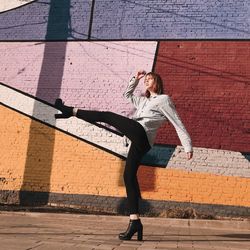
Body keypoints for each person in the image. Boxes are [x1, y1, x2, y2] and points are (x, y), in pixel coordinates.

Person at [54, 70, 193, 241]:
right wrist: (136, 79)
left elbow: (177, 122)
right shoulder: (143, 101)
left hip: (141, 133)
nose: (147, 81)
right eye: (146, 79)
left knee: (107, 116)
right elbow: (127, 94)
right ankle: (135, 222)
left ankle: (70, 111)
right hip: (138, 141)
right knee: (128, 176)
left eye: (150, 79)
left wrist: (187, 146)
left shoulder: (164, 100)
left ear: (157, 82)